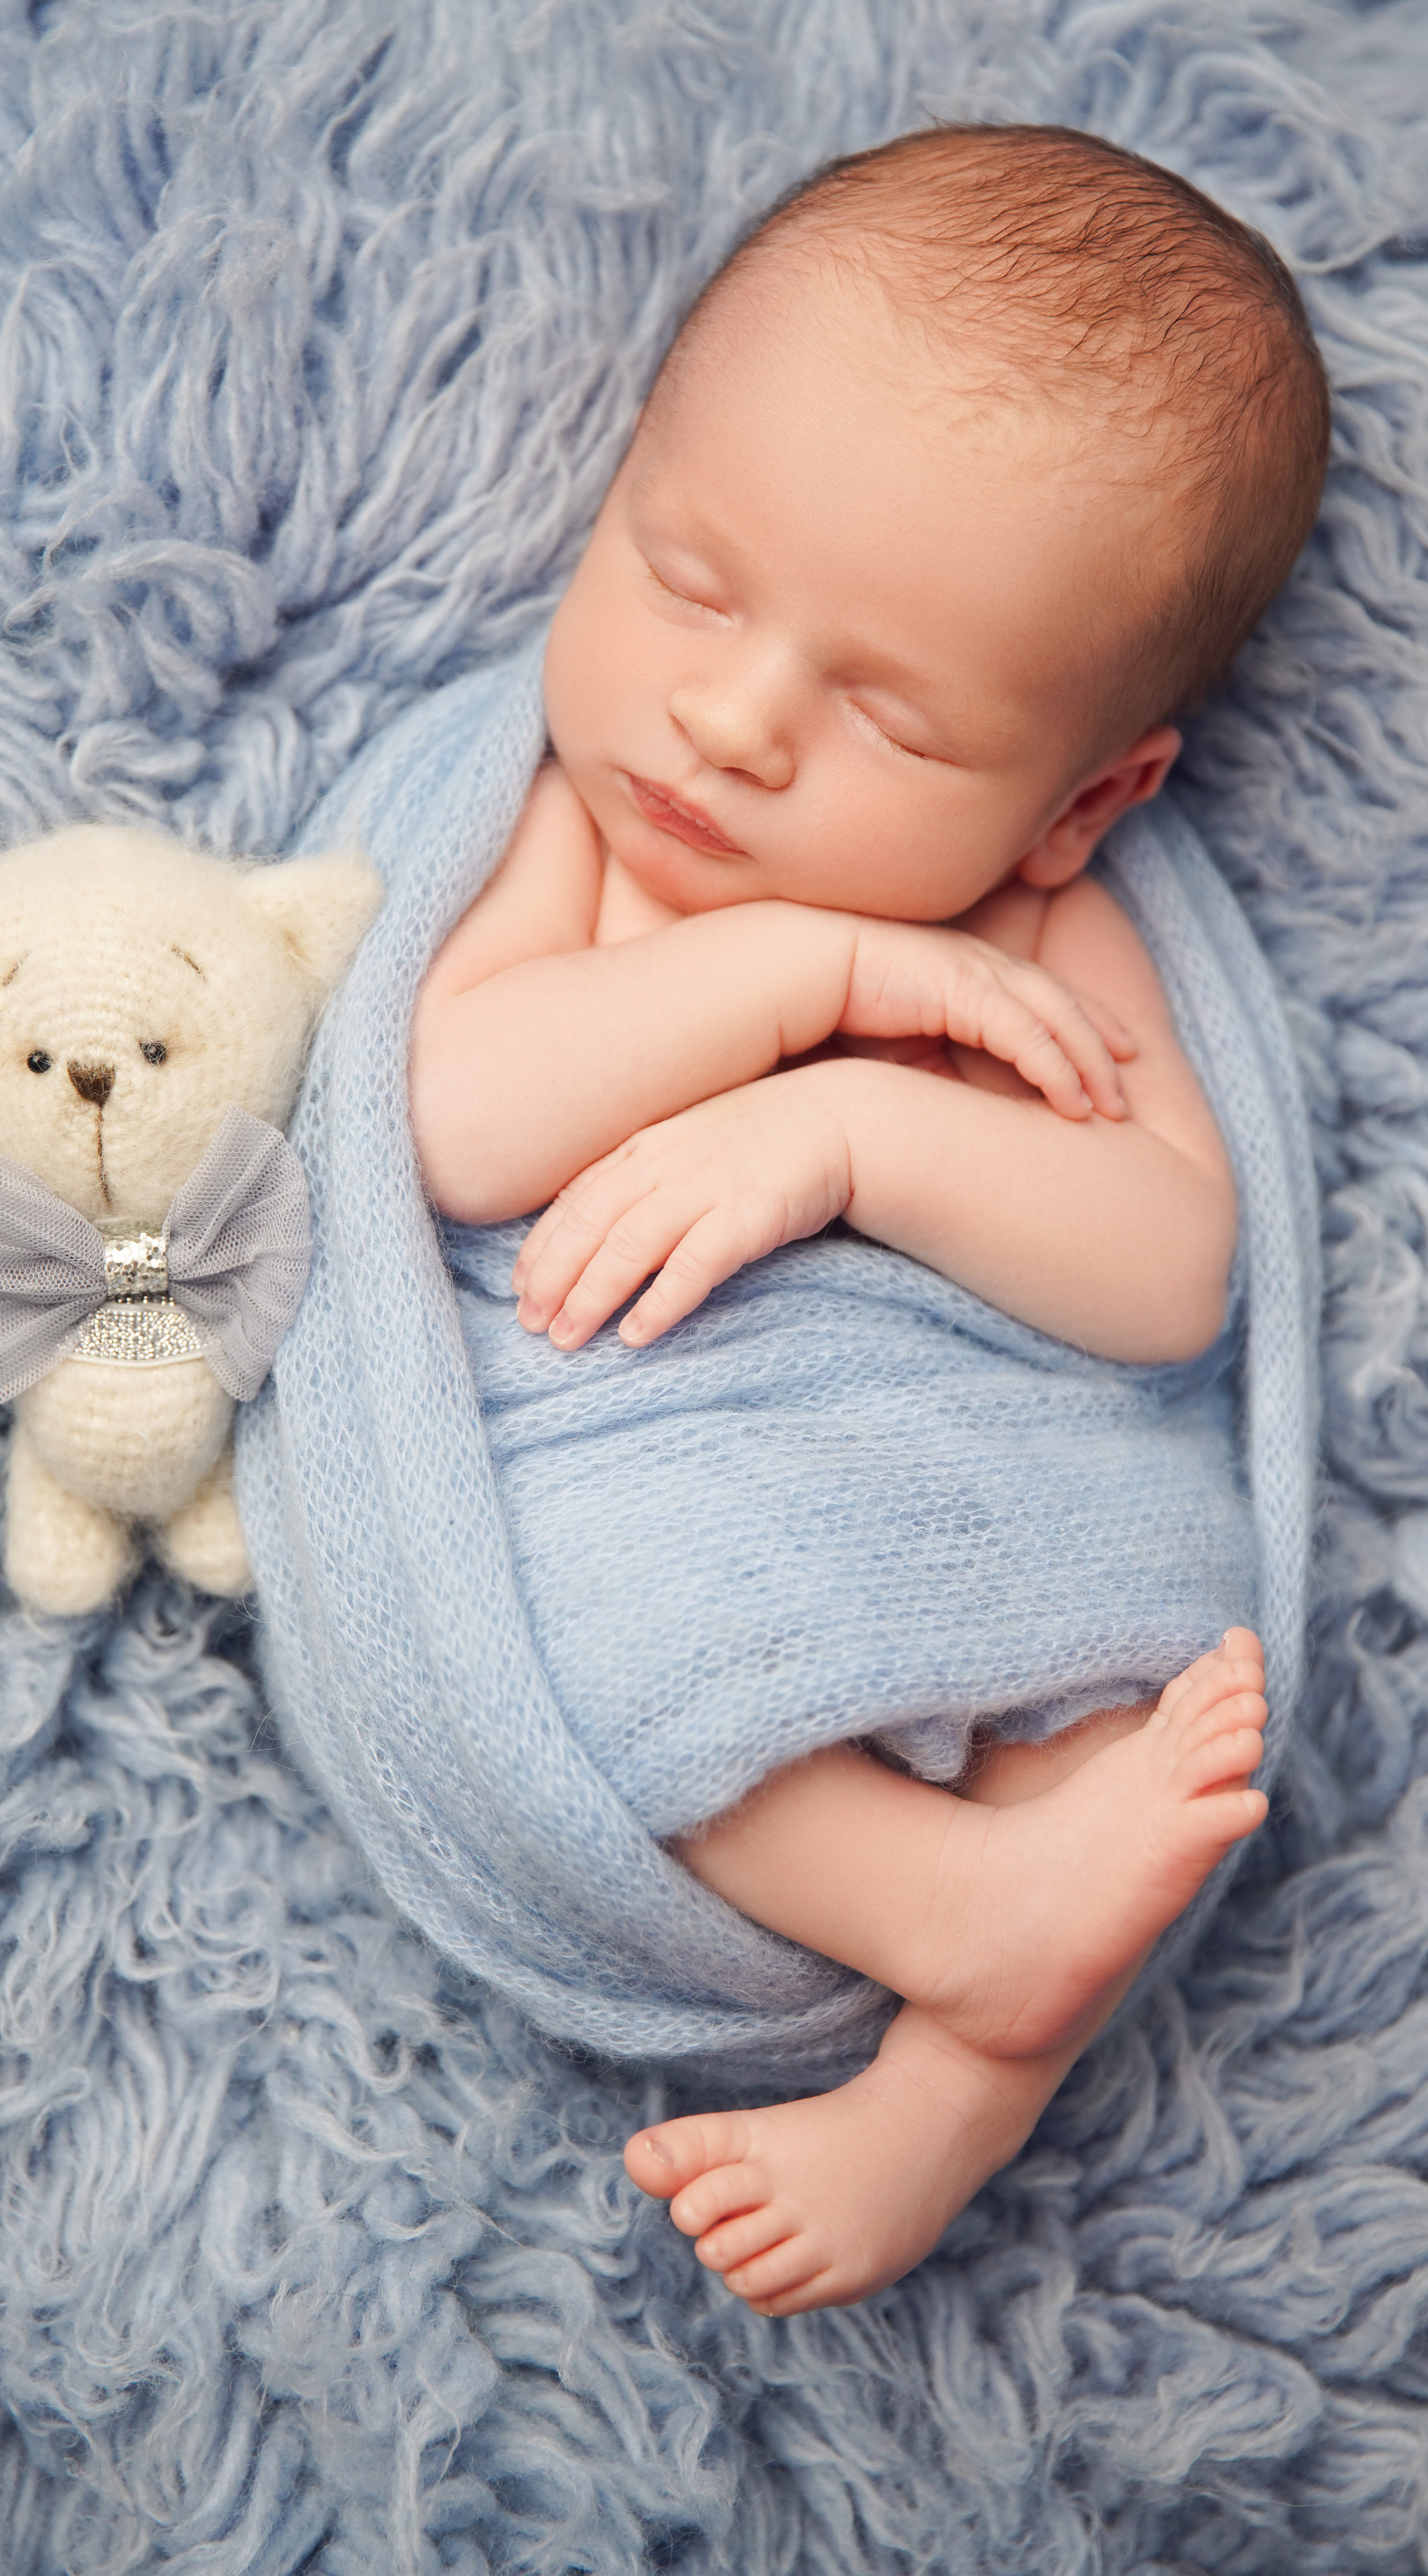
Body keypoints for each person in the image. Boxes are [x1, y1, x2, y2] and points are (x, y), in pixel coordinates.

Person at [409, 123, 1329, 2316]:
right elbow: (451, 1124)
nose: (728, 723)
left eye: (891, 714)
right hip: (660, 1490)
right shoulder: (572, 837)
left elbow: (1166, 1271)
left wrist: (856, 1138)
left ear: (1085, 796)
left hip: (998, 1497)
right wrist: (804, 975)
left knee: (1150, 1718)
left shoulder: (1043, 924)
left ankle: (955, 2086)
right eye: (686, 578)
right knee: (620, 1641)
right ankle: (955, 1920)